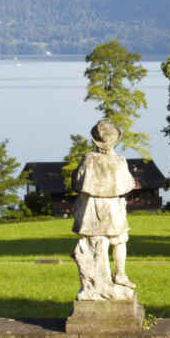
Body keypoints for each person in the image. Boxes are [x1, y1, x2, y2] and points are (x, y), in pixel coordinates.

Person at [72, 119, 136, 289]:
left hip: (92, 207)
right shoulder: (119, 161)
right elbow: (128, 184)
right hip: (113, 206)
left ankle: (99, 281)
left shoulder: (89, 159)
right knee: (119, 241)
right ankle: (119, 274)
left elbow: (78, 182)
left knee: (97, 243)